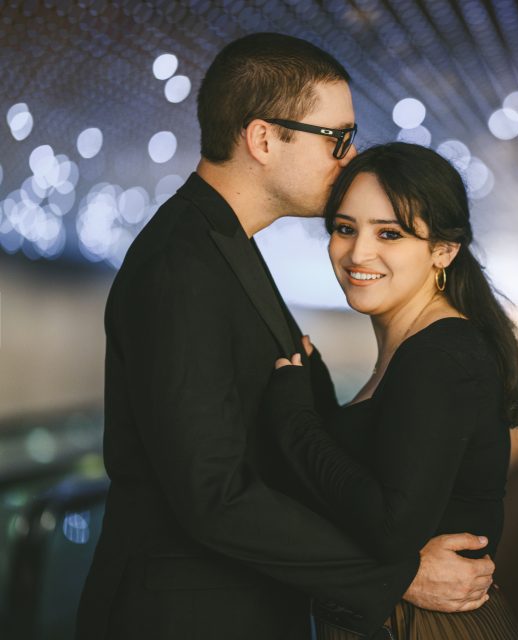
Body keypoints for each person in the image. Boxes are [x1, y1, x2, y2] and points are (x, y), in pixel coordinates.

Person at [76, 33, 494, 640]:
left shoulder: (223, 246)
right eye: (337, 139)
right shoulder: (182, 265)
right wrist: (395, 575)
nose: (349, 158)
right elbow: (213, 495)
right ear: (264, 138)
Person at [262, 142, 518, 639]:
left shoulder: (440, 357)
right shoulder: (418, 350)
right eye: (345, 228)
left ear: (443, 250)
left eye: (389, 233)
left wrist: (295, 420)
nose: (357, 252)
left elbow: (393, 528)